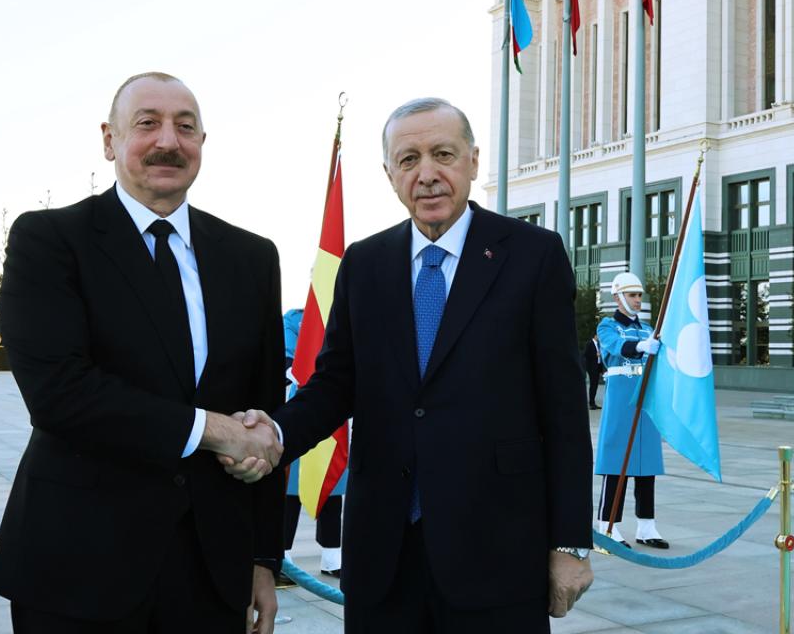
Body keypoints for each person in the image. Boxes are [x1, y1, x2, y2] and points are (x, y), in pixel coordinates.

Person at [226, 98, 595, 633]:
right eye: (408, 159)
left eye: (443, 154)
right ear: (389, 174)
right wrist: (275, 432)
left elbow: (564, 409)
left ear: (473, 160)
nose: (427, 174)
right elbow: (335, 384)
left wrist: (569, 543)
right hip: (384, 556)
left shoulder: (532, 255)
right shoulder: (364, 263)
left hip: (497, 550)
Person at [0, 72, 286, 633]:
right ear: (110, 140)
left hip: (212, 573)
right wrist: (213, 429)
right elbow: (59, 394)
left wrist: (264, 558)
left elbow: (264, 412)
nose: (168, 141)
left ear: (202, 143)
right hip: (79, 566)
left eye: (185, 127)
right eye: (147, 123)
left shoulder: (252, 257)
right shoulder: (50, 240)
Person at [594, 272, 667, 549]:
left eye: (639, 295)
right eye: (632, 295)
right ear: (618, 297)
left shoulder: (648, 329)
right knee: (616, 462)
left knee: (647, 463)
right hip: (621, 399)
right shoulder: (608, 326)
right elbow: (614, 347)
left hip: (646, 399)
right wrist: (639, 346)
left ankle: (646, 526)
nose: (638, 300)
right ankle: (607, 526)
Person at [279, 309, 346, 580]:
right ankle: (282, 554)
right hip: (303, 406)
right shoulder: (294, 318)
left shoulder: (341, 312)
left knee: (332, 484)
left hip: (335, 414)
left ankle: (332, 554)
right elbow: (288, 362)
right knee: (292, 489)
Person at [581, 334, 604, 410]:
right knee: (593, 385)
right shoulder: (590, 343)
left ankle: (593, 402)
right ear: (595, 336)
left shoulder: (599, 344)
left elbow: (600, 358)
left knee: (595, 385)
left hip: (597, 367)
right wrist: (595, 355)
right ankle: (591, 403)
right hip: (591, 368)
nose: (600, 337)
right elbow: (585, 354)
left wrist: (601, 370)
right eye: (599, 336)